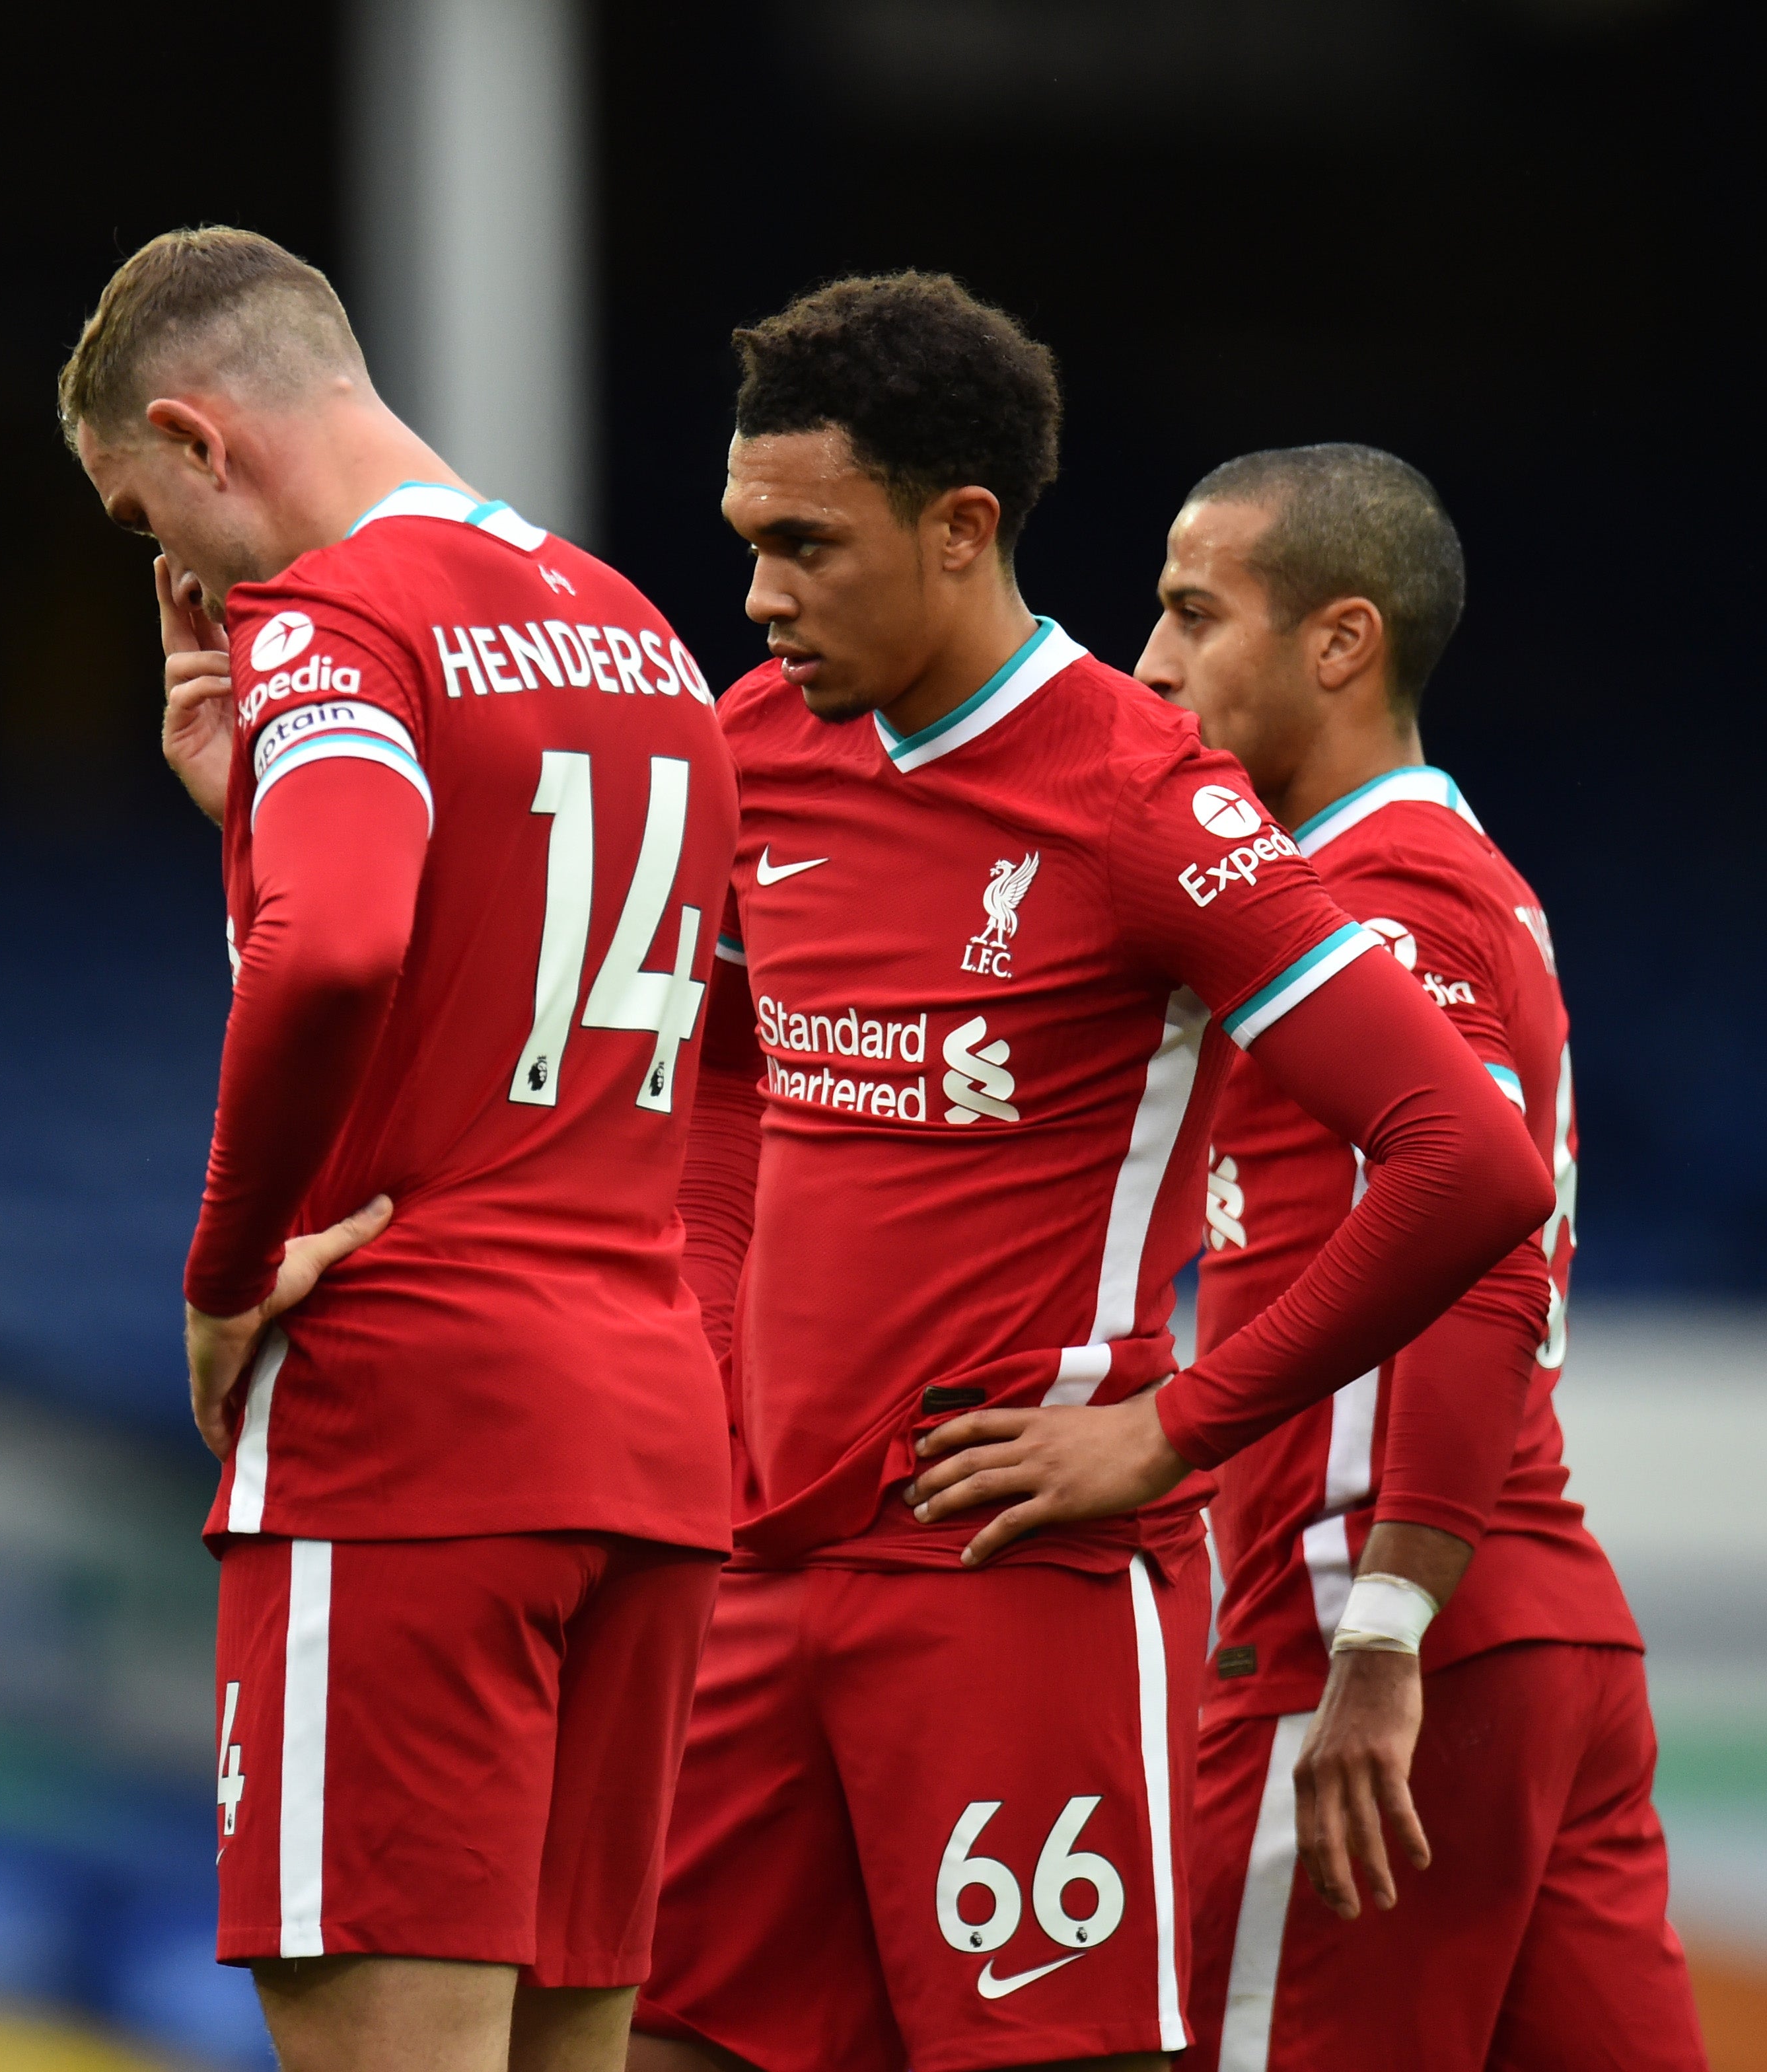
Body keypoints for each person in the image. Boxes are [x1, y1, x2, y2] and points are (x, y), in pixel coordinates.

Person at [627, 276, 1551, 2072]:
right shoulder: (752, 755)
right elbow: (727, 1087)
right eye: (747, 544)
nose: (759, 596)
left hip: (1009, 1572)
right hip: (760, 1568)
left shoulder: (1147, 800)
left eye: (808, 546)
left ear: (963, 525)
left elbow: (1468, 1161)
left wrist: (1175, 1425)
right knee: (660, 2047)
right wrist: (720, 1372)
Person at [60, 227, 738, 2072]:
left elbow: (341, 945)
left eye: (143, 521)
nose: (176, 576)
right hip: (647, 1444)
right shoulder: (641, 629)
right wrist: (247, 811)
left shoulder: (337, 623)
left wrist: (223, 1273)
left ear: (201, 441)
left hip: (417, 1434)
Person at [1130, 445, 1704, 2069]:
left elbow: (1476, 1250)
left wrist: (1379, 1632)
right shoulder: (1454, 886)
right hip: (1537, 1633)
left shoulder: (1380, 904)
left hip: (1378, 1635)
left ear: (1340, 641)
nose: (1149, 661)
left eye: (1190, 610)